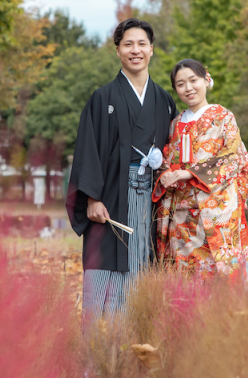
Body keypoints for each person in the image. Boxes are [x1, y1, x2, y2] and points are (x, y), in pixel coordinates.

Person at [66, 18, 177, 328]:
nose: (135, 50)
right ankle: (100, 356)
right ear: (118, 51)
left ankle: (135, 352)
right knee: (107, 267)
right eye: (128, 44)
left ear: (152, 50)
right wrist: (91, 198)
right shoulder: (103, 99)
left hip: (150, 199)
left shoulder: (164, 101)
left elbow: (175, 153)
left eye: (142, 44)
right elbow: (89, 149)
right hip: (112, 197)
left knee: (142, 263)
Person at [152, 59, 248, 280]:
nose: (188, 88)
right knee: (184, 277)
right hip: (182, 214)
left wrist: (190, 173)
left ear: (206, 80)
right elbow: (164, 157)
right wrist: (165, 173)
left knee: (221, 276)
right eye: (180, 84)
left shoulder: (223, 117)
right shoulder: (174, 124)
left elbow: (234, 157)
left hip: (216, 211)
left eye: (193, 80)